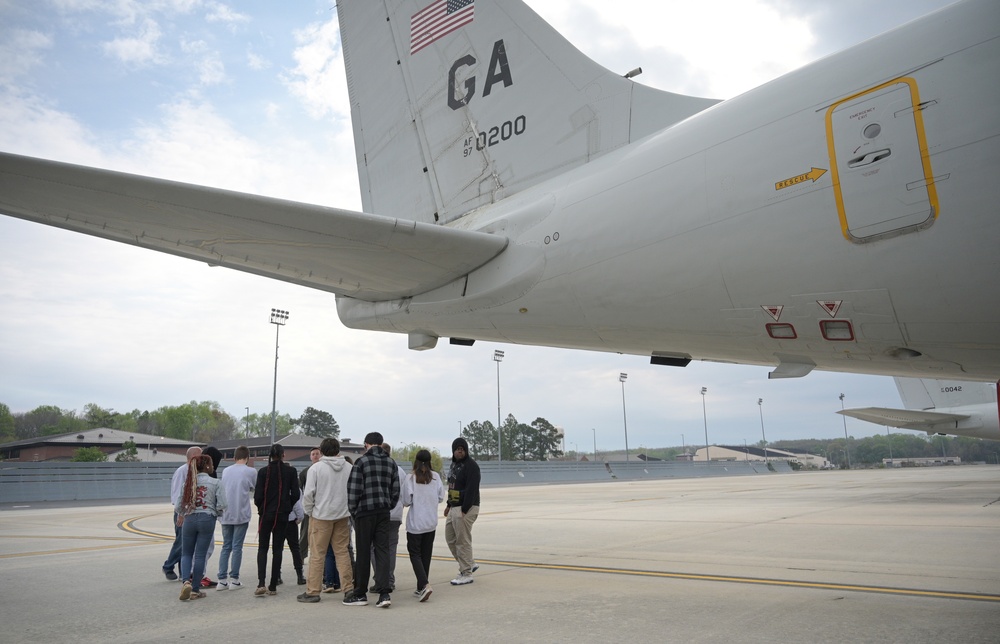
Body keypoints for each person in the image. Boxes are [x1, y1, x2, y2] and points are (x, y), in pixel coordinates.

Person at [345, 432, 399, 608]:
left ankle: (360, 593)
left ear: (366, 444)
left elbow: (354, 490)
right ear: (381, 444)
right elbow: (395, 490)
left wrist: (353, 509)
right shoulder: (391, 463)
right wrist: (387, 505)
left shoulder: (361, 462)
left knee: (363, 552)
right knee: (382, 551)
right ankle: (384, 593)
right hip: (383, 512)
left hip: (364, 512)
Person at [298, 437, 355, 604]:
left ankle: (313, 591)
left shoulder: (316, 469)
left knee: (317, 555)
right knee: (342, 552)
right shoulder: (349, 468)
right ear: (338, 451)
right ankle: (348, 588)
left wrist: (310, 512)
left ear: (321, 451)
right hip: (342, 516)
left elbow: (308, 495)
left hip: (321, 516)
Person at [176, 453, 227, 601]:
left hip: (190, 518)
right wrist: (215, 512)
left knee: (186, 553)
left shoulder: (188, 483)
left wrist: (185, 512)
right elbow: (223, 504)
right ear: (206, 466)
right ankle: (195, 589)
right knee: (200, 554)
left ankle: (186, 581)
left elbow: (179, 505)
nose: (212, 466)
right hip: (207, 518)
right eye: (210, 464)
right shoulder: (215, 482)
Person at [253, 443, 299, 597]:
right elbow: (296, 494)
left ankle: (261, 582)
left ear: (269, 456)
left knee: (262, 548)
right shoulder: (291, 471)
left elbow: (257, 496)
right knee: (277, 549)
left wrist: (262, 508)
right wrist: (287, 506)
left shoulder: (263, 472)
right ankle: (273, 584)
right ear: (283, 454)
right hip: (282, 513)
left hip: (266, 513)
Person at [402, 449, 445, 601]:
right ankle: (421, 586)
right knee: (426, 554)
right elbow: (441, 497)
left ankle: (425, 584)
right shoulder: (436, 477)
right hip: (431, 522)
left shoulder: (410, 478)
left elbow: (406, 501)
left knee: (415, 554)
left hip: (416, 523)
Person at [217, 445, 256, 590]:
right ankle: (234, 579)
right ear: (248, 457)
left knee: (226, 546)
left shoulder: (226, 471)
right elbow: (254, 488)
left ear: (234, 457)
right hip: (241, 513)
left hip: (226, 513)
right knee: (237, 546)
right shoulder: (251, 471)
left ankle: (221, 580)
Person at [370, 442, 405, 595]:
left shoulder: (376, 468)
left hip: (379, 513)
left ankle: (380, 579)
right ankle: (389, 580)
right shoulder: (401, 471)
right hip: (395, 514)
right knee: (391, 548)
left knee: (374, 548)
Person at [445, 436, 481, 585]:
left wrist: (465, 509)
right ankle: (469, 563)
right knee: (450, 538)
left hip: (467, 507)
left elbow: (472, 489)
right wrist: (448, 504)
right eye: (457, 450)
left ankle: (466, 573)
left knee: (462, 541)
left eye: (462, 450)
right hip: (454, 507)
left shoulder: (471, 466)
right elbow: (452, 487)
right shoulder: (454, 466)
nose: (459, 453)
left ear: (466, 451)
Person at [162, 445, 201, 580]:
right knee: (181, 542)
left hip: (190, 513)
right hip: (182, 513)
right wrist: (181, 513)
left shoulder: (194, 471)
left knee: (187, 543)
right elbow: (178, 494)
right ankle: (168, 566)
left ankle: (183, 572)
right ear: (193, 457)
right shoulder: (182, 471)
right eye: (200, 456)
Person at [298, 446, 322, 562]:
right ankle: (301, 556)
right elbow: (299, 489)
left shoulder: (324, 470)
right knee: (305, 533)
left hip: (322, 507)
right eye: (313, 454)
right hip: (309, 507)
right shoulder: (305, 472)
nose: (315, 456)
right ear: (310, 457)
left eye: (317, 454)